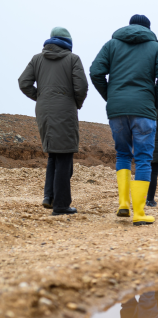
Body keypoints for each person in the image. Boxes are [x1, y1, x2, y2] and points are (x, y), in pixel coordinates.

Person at [90, 14, 158, 226]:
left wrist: (111, 96)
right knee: (144, 158)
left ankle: (123, 204)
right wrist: (155, 101)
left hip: (117, 109)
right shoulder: (156, 48)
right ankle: (139, 212)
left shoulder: (112, 44)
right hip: (144, 109)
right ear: (148, 28)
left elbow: (95, 71)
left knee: (123, 154)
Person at [18, 26, 89, 216]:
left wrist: (41, 98)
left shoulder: (36, 59)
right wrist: (76, 103)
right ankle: (61, 205)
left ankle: (48, 197)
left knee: (53, 154)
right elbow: (81, 86)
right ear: (68, 42)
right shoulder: (73, 59)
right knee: (64, 157)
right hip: (65, 110)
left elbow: (23, 82)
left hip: (43, 111)